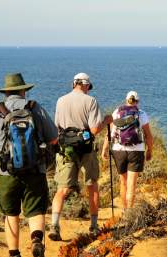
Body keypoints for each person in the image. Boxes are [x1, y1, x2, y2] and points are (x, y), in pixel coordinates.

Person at [0, 73, 58, 257]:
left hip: (7, 173)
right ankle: (36, 240)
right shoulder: (35, 108)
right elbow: (54, 137)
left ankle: (14, 253)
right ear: (23, 90)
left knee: (11, 214)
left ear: (6, 92)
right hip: (35, 170)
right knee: (35, 210)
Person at [49, 72, 112, 241]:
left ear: (74, 84)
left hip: (66, 149)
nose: (88, 90)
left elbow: (56, 128)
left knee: (62, 189)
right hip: (86, 150)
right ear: (85, 85)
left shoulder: (60, 101)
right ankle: (93, 226)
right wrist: (107, 120)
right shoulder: (91, 101)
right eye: (88, 87)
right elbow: (94, 130)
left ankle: (54, 225)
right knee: (92, 186)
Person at [101, 91, 153, 211]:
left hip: (118, 150)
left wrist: (104, 149)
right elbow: (149, 136)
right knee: (131, 185)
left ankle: (124, 211)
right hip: (136, 151)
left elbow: (109, 134)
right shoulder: (141, 114)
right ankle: (129, 213)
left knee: (123, 182)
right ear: (137, 102)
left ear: (126, 100)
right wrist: (149, 151)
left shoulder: (117, 112)